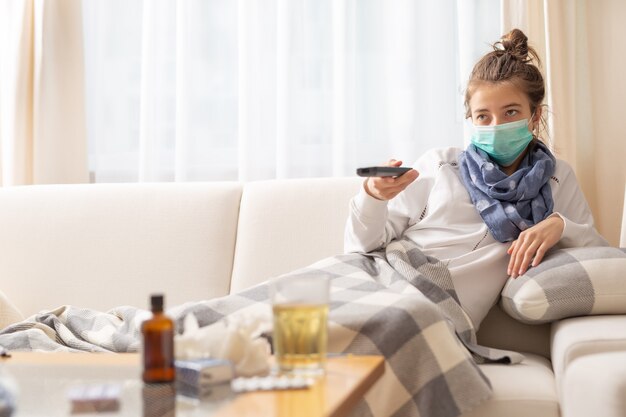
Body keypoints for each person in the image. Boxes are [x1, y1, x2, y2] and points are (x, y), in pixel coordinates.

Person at [344, 28, 608, 329]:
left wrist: (561, 226)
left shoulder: (558, 178)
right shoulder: (441, 164)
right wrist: (373, 197)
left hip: (436, 311)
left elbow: (597, 256)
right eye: (483, 116)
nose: (496, 126)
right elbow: (361, 246)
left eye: (511, 112)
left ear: (534, 116)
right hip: (383, 276)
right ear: (471, 119)